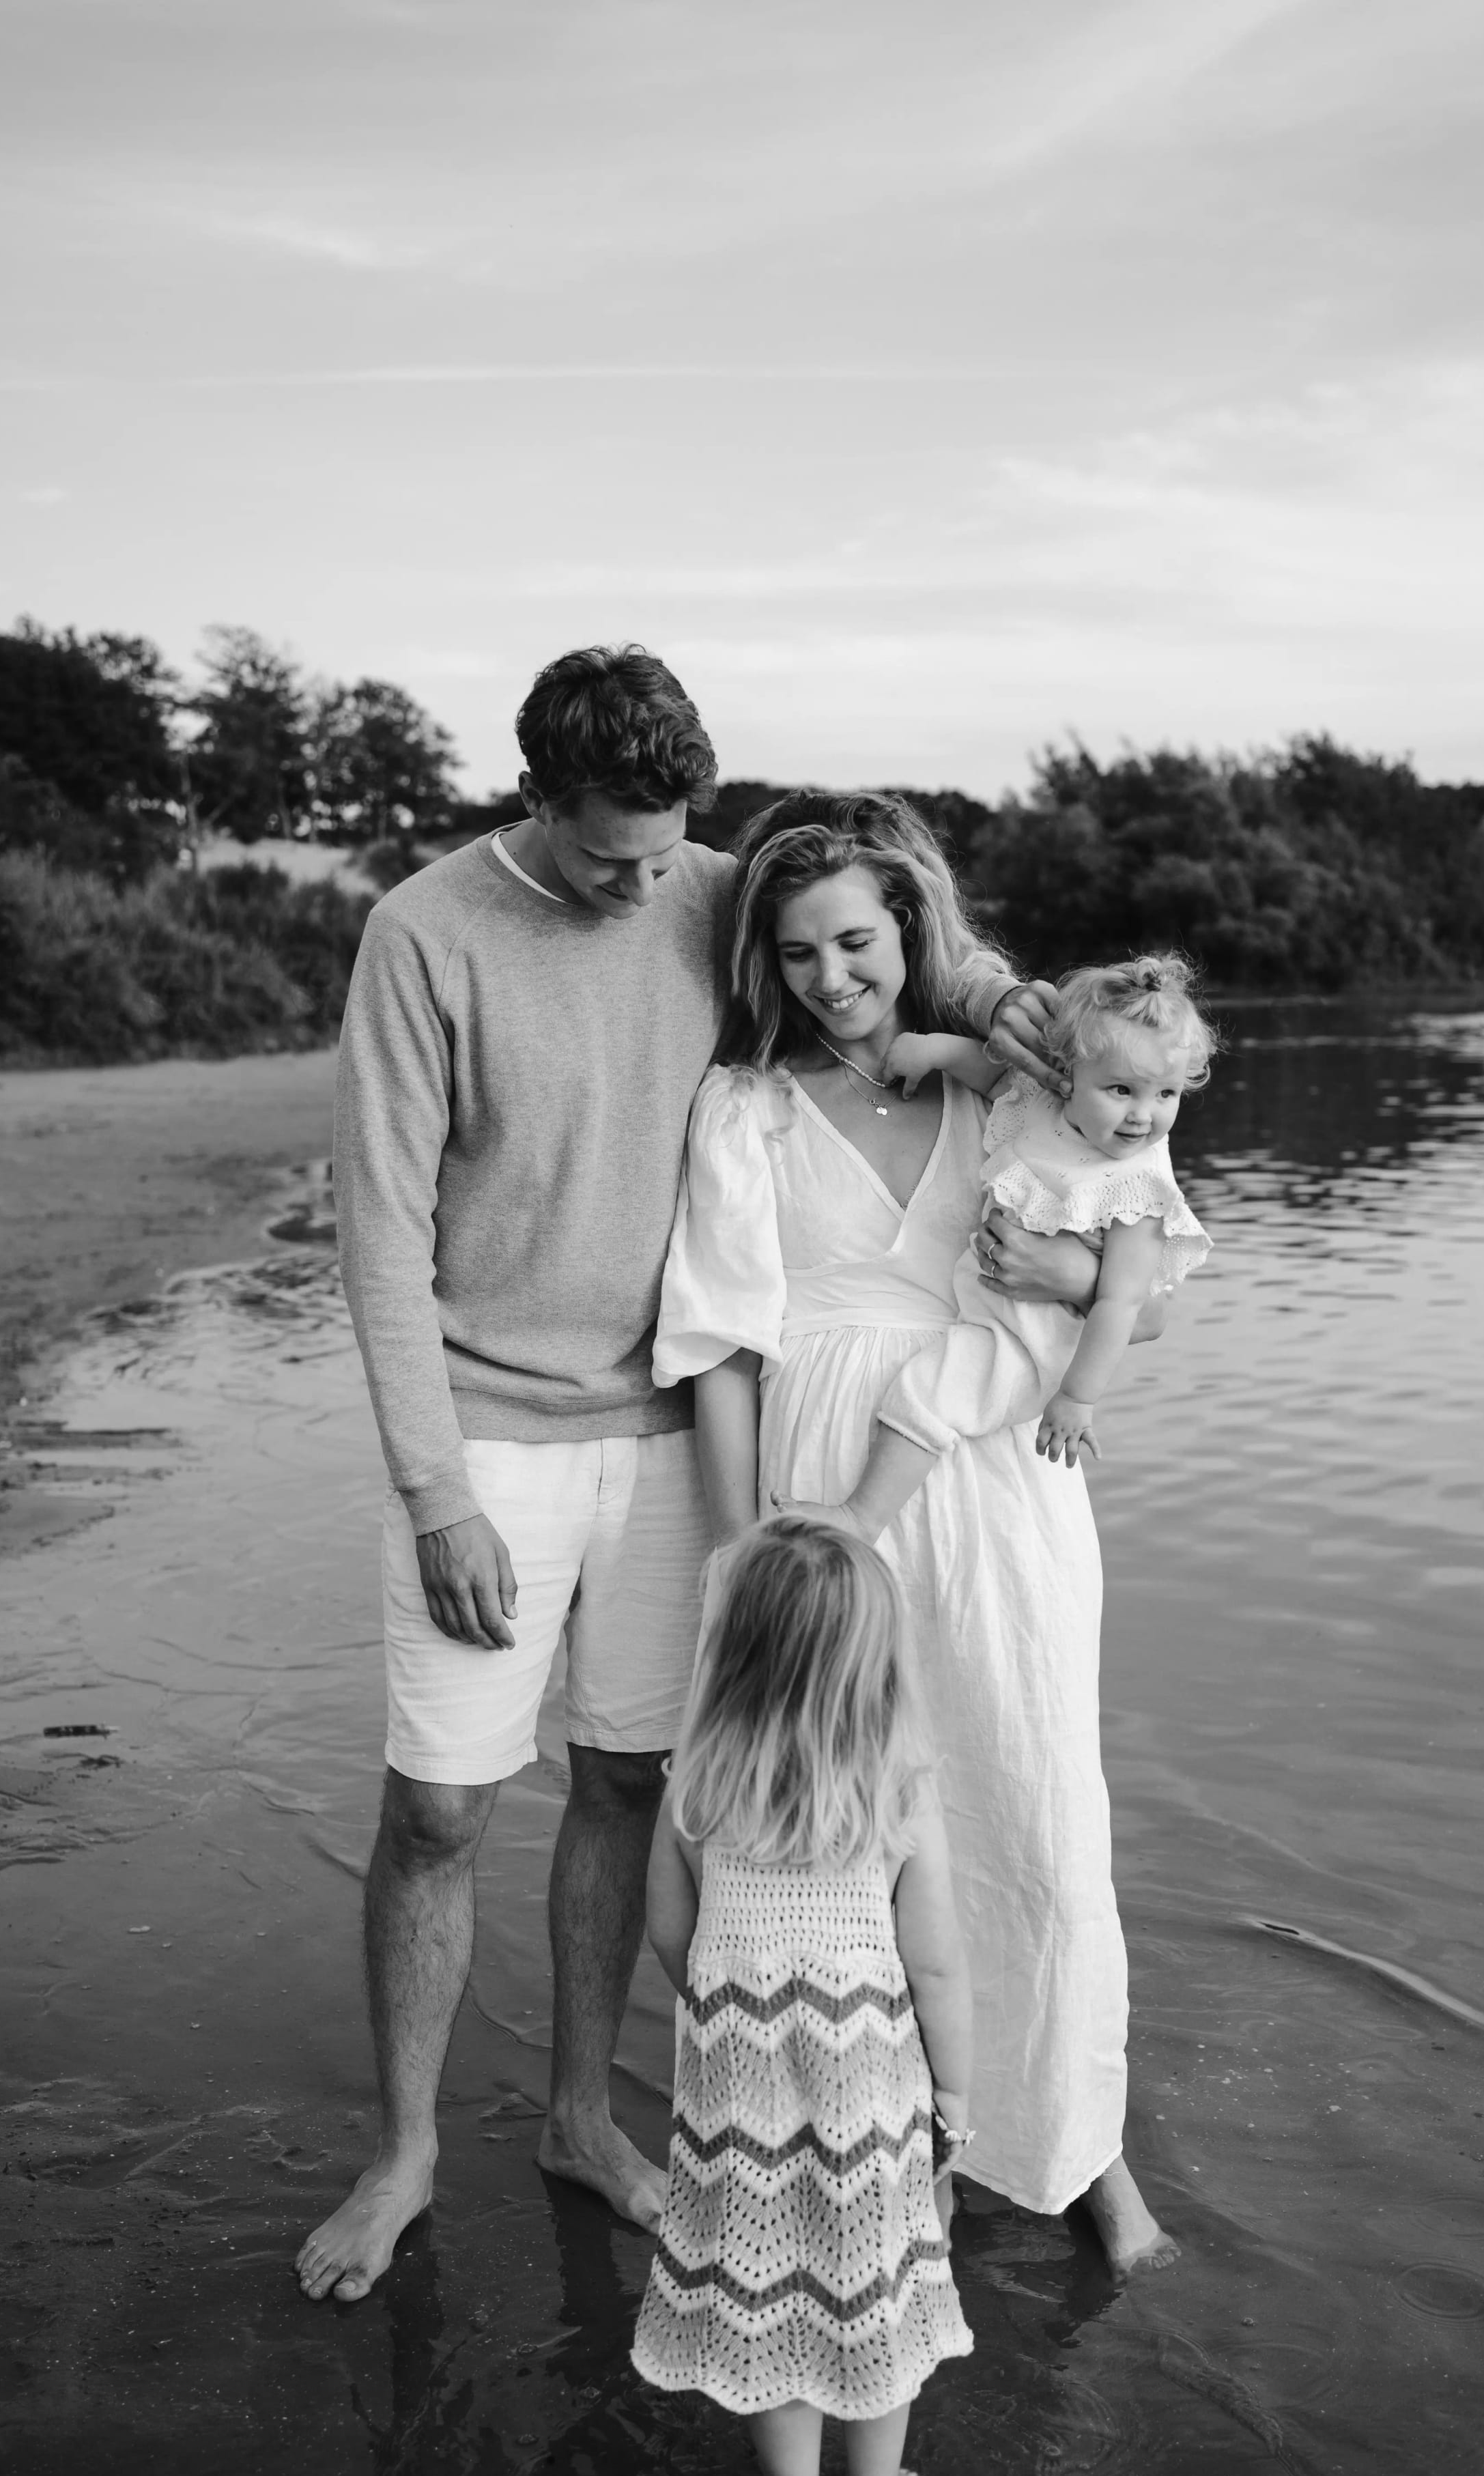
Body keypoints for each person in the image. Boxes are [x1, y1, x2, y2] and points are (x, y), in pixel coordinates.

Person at [295, 653, 1058, 2304]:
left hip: (659, 1426)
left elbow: (894, 933)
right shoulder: (423, 932)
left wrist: (1003, 1003)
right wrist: (434, 1491)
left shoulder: (711, 888)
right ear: (537, 799)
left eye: (663, 853)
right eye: (607, 856)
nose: (644, 886)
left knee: (628, 1783)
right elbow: (378, 1230)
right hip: (486, 1429)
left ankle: (579, 2116)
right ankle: (405, 2152)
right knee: (437, 1805)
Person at [653, 800, 1179, 2276]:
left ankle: (1078, 2146)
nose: (832, 978)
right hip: (828, 1485)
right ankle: (910, 2151)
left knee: (1037, 1810)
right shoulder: (746, 1109)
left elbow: (1143, 1289)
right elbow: (718, 1348)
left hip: (1001, 1481)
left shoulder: (1021, 1087)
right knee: (857, 1834)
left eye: (856, 942)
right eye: (797, 952)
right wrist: (743, 1557)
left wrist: (1063, 1272)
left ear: (909, 928)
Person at [633, 1517, 973, 2476]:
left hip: (739, 2108)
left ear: (735, 1649)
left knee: (765, 2297)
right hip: (870, 2110)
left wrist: (724, 2015)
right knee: (873, 2299)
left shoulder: (698, 1782)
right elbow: (938, 1968)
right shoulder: (899, 1791)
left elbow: (669, 1932)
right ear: (877, 1661)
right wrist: (955, 2097)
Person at [793, 953, 1214, 1539]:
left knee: (925, 1395)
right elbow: (991, 1075)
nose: (1143, 1116)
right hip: (991, 1311)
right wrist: (934, 1050)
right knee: (932, 1391)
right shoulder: (1045, 1105)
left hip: (1032, 1345)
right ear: (1067, 1073)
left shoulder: (1138, 1189)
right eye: (1122, 1090)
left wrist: (1077, 1398)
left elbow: (1122, 1304)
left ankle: (861, 1518)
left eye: (1166, 1094)